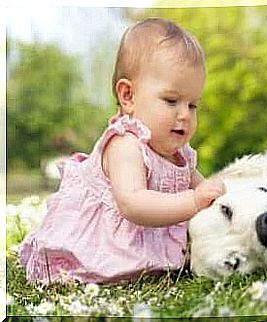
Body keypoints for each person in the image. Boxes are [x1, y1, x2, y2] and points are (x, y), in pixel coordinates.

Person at [19, 18, 226, 284]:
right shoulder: (125, 144)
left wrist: (218, 198)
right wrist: (194, 201)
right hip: (104, 245)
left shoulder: (181, 154)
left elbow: (204, 190)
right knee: (87, 271)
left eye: (193, 105)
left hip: (143, 244)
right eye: (172, 101)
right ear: (128, 96)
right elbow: (133, 204)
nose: (185, 115)